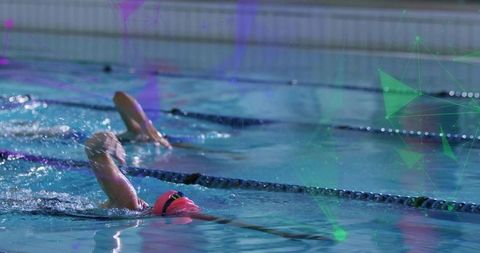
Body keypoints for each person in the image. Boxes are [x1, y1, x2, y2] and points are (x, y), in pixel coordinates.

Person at [84, 132, 329, 240]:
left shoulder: (128, 209)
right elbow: (93, 146)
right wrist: (111, 142)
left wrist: (279, 232)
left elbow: (216, 219)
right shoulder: (128, 202)